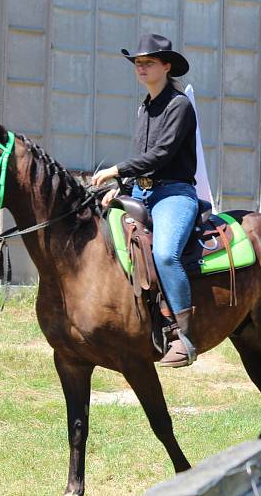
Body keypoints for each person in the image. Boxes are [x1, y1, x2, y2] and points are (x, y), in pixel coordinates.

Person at [91, 33, 199, 368]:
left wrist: (116, 170)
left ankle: (185, 337)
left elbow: (161, 154)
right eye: (138, 63)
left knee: (166, 254)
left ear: (167, 66)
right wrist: (121, 187)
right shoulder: (146, 106)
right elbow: (143, 156)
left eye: (148, 62)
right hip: (142, 191)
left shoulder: (179, 105)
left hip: (174, 193)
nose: (141, 67)